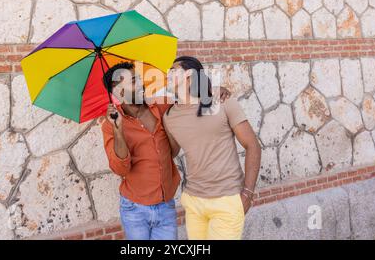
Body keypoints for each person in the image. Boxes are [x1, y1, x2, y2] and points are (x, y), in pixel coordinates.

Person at [101, 61, 230, 240]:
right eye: (133, 81)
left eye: (139, 78)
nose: (141, 84)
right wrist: (118, 129)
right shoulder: (110, 125)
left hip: (166, 205)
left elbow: (189, 100)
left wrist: (213, 90)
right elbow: (121, 169)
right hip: (135, 210)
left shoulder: (160, 107)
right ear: (119, 91)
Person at [163, 56, 261, 240]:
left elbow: (252, 145)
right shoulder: (169, 115)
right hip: (193, 202)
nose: (167, 74)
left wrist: (247, 193)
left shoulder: (220, 99)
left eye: (173, 70)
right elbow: (172, 150)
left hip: (227, 201)